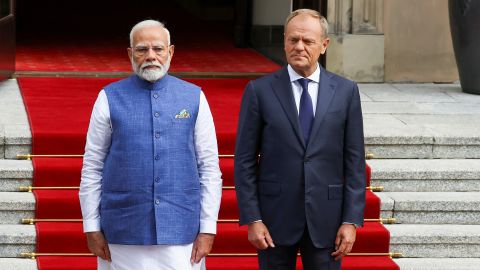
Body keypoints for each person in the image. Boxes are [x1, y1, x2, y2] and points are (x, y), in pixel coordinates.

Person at [79, 19, 222, 270]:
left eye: (158, 48)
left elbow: (209, 168)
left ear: (171, 52)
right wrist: (91, 226)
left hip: (181, 230)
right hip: (122, 230)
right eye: (142, 49)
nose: (151, 56)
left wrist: (208, 229)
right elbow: (92, 166)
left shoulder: (194, 96)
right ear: (130, 53)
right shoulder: (108, 97)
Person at [234, 9, 366, 270]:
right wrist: (253, 218)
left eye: (308, 41)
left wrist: (351, 221)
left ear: (324, 45)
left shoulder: (346, 92)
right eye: (293, 40)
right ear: (284, 41)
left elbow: (355, 162)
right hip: (273, 220)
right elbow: (245, 161)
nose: (299, 47)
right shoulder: (259, 91)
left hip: (327, 220)